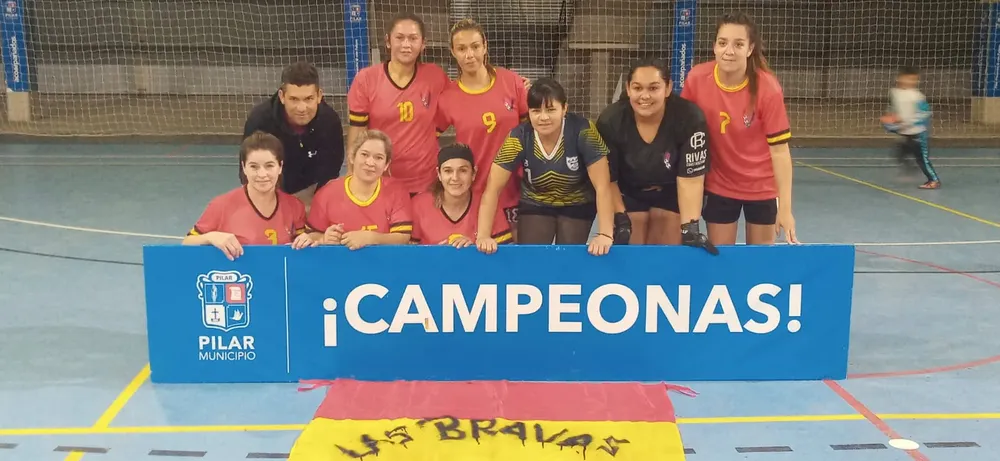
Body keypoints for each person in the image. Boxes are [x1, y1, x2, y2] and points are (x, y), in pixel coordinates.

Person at [681, 12, 799, 246]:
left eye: (738, 44)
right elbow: (683, 132)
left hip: (762, 188)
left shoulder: (767, 88)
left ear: (750, 49)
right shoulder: (697, 78)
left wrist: (785, 208)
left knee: (759, 266)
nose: (729, 51)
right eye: (723, 43)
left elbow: (780, 152)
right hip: (719, 185)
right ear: (714, 46)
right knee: (724, 262)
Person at [476, 78, 616, 256]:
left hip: (577, 201)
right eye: (536, 111)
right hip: (535, 201)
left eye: (551, 110)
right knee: (532, 261)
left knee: (568, 261)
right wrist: (483, 236)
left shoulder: (584, 131)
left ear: (564, 109)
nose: (543, 117)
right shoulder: (518, 137)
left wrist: (605, 234)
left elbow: (603, 186)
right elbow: (492, 189)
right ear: (529, 112)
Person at [597, 58, 716, 254]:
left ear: (668, 88)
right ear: (628, 89)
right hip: (629, 191)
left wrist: (689, 226)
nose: (645, 96)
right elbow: (608, 178)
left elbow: (691, 181)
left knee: (665, 252)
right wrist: (620, 217)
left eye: (653, 88)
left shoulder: (690, 118)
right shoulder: (611, 121)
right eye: (637, 88)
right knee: (632, 247)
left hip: (672, 192)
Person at [435, 18, 530, 241]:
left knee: (518, 258)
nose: (469, 55)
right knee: (485, 259)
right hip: (477, 193)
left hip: (516, 189)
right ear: (453, 52)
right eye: (461, 48)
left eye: (475, 47)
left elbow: (531, 130)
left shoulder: (512, 82)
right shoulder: (448, 97)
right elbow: (429, 137)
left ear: (485, 46)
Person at [346, 11, 450, 196]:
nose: (406, 45)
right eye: (400, 38)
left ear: (423, 43)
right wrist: (353, 174)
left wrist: (430, 131)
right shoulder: (366, 79)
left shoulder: (435, 76)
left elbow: (458, 105)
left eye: (413, 38)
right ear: (388, 41)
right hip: (380, 180)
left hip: (425, 181)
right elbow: (357, 132)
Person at [184, 131, 316, 260]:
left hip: (278, 279)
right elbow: (187, 243)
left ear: (280, 167)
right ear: (244, 167)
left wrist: (307, 240)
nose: (262, 174)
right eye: (254, 167)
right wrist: (211, 237)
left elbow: (303, 245)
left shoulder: (294, 206)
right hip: (239, 280)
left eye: (269, 166)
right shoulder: (221, 206)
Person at [242, 61, 345, 210]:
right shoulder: (260, 121)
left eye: (308, 99)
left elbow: (330, 171)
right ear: (282, 96)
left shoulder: (330, 122)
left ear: (319, 96)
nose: (302, 108)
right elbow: (247, 169)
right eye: (294, 99)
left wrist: (315, 207)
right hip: (268, 192)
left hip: (311, 193)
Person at [305, 130, 413, 250]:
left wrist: (371, 238)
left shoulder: (397, 191)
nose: (370, 162)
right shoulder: (326, 194)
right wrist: (324, 238)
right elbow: (311, 236)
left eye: (379, 157)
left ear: (386, 165)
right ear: (352, 157)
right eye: (364, 155)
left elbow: (403, 237)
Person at [410, 144, 513, 247]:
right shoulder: (419, 205)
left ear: (473, 173)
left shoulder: (487, 204)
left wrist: (472, 249)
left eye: (463, 170)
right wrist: (437, 253)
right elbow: (407, 256)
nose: (455, 177)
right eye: (448, 171)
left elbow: (507, 255)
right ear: (439, 174)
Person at [880, 66, 939, 189]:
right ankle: (910, 169)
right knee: (899, 153)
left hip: (918, 132)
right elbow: (892, 108)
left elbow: (924, 113)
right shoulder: (895, 92)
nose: (910, 82)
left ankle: (933, 180)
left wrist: (907, 122)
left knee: (922, 159)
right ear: (899, 79)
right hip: (905, 132)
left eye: (913, 80)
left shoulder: (917, 96)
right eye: (907, 79)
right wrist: (890, 118)